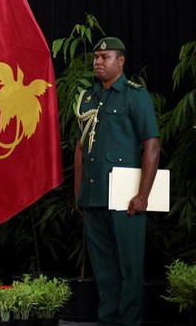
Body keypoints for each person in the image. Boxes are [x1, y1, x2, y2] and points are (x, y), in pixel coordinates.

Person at [74, 37, 160, 325]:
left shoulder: (135, 96)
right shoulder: (87, 97)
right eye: (96, 57)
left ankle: (130, 322)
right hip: (94, 196)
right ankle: (107, 320)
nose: (97, 61)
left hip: (126, 199)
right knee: (104, 269)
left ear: (120, 61)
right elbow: (80, 147)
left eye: (105, 56)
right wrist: (79, 192)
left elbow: (151, 145)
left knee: (129, 268)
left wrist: (143, 195)